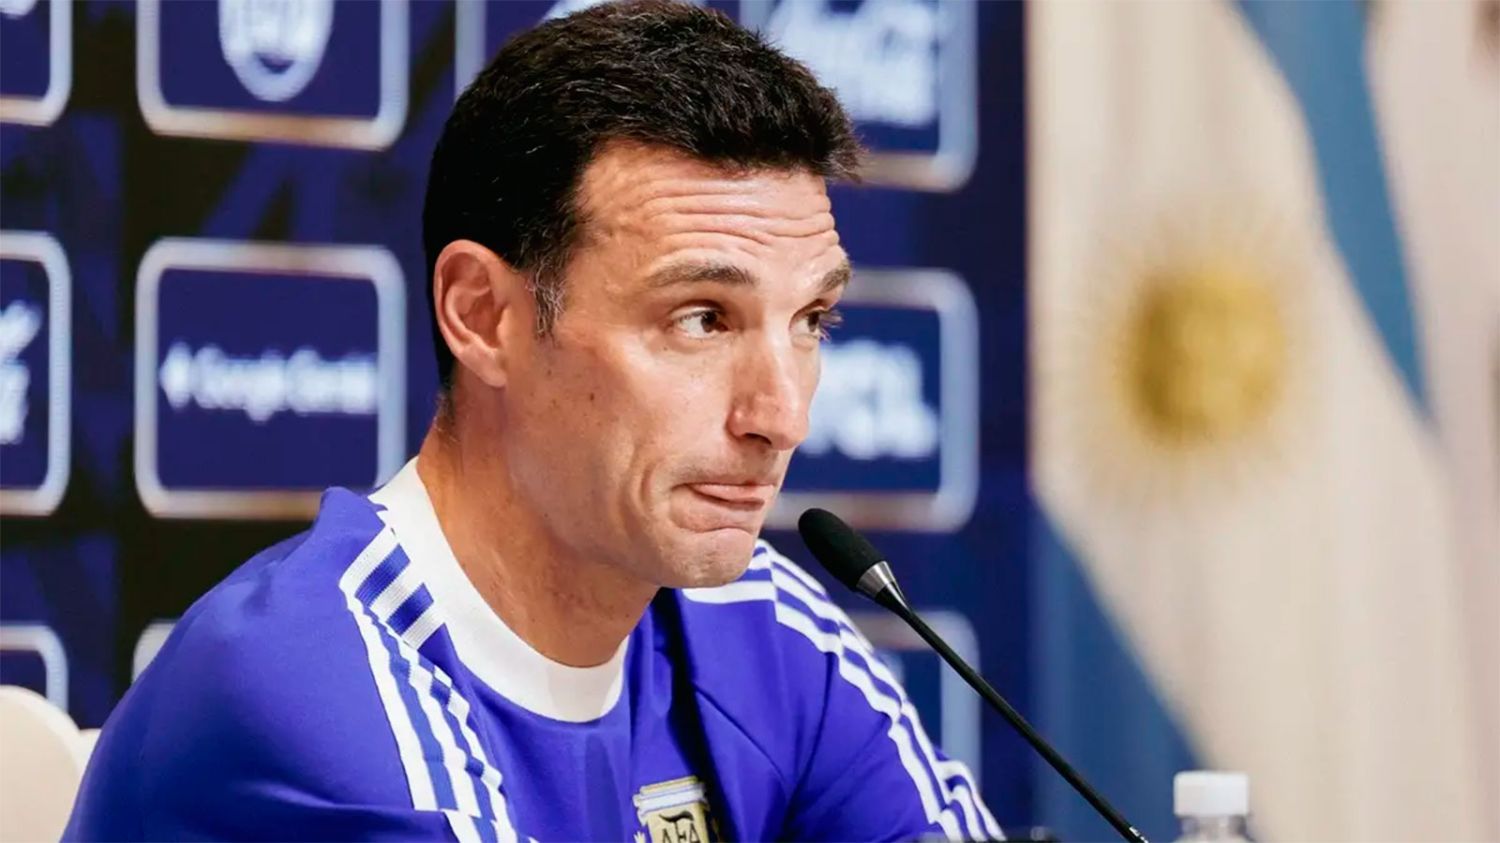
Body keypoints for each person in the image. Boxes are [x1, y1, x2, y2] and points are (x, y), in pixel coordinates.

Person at [66, 2, 1001, 840]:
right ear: (483, 315)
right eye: (701, 319)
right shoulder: (318, 681)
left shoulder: (767, 631)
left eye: (811, 321)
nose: (783, 415)